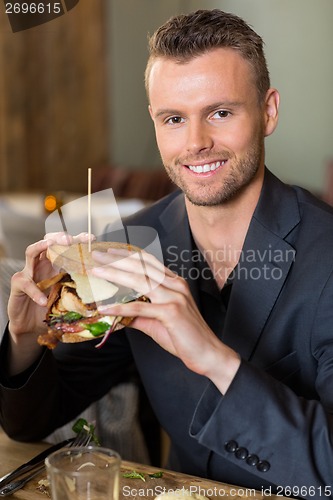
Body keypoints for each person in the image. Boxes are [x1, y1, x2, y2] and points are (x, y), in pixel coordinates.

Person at [1, 9, 333, 497]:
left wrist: (216, 361)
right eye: (174, 119)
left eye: (220, 112)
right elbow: (32, 424)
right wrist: (25, 338)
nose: (196, 143)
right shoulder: (130, 242)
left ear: (268, 111)